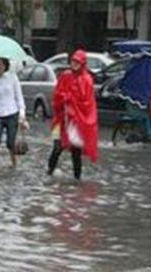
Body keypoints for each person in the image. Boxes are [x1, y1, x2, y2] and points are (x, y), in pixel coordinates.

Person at [47, 49, 98, 180]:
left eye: (77, 62)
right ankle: (49, 172)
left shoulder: (87, 80)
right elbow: (56, 96)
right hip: (61, 119)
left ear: (83, 63)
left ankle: (77, 179)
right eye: (73, 61)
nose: (74, 64)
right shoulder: (65, 76)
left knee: (76, 152)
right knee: (57, 147)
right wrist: (64, 98)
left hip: (76, 122)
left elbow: (87, 102)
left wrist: (72, 101)